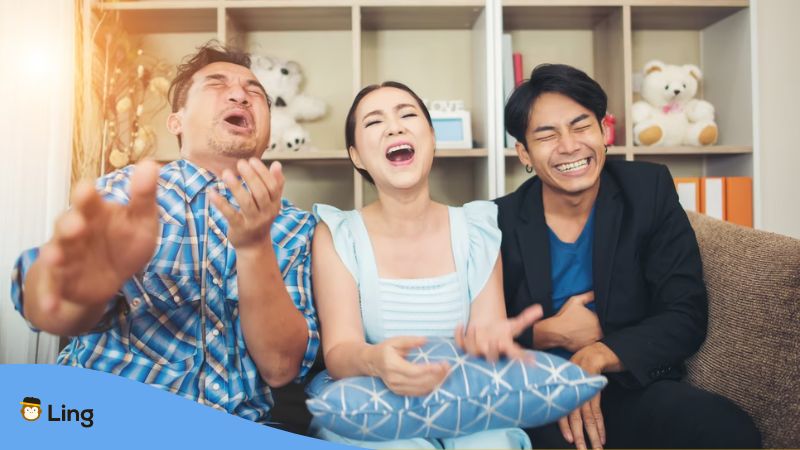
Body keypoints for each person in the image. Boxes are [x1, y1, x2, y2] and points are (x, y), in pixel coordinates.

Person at [9, 43, 319, 424]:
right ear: (176, 122)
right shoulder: (126, 193)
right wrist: (68, 291)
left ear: (269, 131)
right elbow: (46, 303)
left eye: (255, 92)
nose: (240, 94)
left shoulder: (295, 227)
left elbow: (280, 367)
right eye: (217, 84)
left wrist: (255, 248)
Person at [496, 63, 761, 449]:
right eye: (547, 135)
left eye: (581, 126)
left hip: (628, 380)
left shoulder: (648, 190)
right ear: (525, 153)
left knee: (725, 428)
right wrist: (545, 332)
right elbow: (473, 329)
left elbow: (684, 311)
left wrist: (597, 353)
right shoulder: (498, 220)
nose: (570, 145)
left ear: (604, 132)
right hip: (537, 393)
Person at [309, 81, 543, 449]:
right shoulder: (338, 235)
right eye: (374, 122)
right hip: (369, 392)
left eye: (407, 115)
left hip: (462, 391)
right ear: (356, 156)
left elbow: (487, 337)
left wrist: (490, 344)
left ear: (432, 138)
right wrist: (376, 360)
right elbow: (339, 351)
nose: (394, 127)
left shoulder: (477, 230)